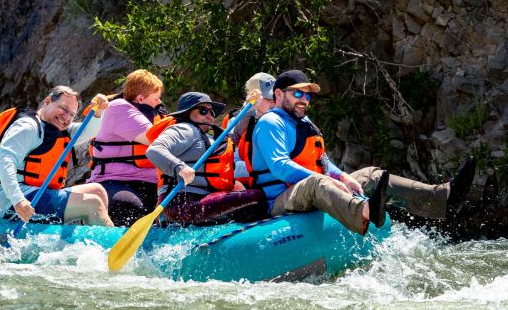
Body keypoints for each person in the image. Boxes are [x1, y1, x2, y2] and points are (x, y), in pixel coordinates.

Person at [251, 69, 477, 235]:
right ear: (279, 94)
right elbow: (280, 166)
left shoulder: (304, 122)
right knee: (318, 183)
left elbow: (323, 161)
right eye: (297, 94)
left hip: (312, 185)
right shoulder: (271, 122)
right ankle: (365, 211)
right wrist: (324, 179)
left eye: (308, 96)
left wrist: (342, 176)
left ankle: (443, 196)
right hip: (280, 199)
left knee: (372, 175)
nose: (304, 101)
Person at [0, 86, 114, 226]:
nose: (66, 117)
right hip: (13, 202)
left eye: (71, 114)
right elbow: (4, 162)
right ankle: (112, 246)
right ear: (47, 101)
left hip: (38, 194)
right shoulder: (28, 127)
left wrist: (98, 112)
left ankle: (90, 236)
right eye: (63, 109)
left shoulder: (62, 130)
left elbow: (88, 131)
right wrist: (19, 200)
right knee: (93, 203)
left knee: (98, 190)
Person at [145, 92, 267, 226]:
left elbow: (235, 135)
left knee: (248, 189)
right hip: (183, 203)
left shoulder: (208, 134)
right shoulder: (185, 129)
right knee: (255, 198)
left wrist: (249, 108)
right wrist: (180, 168)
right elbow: (154, 149)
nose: (209, 116)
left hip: (201, 199)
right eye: (203, 111)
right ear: (187, 113)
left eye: (212, 112)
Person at [86, 69, 165, 226]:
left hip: (150, 183)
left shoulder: (155, 115)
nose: (159, 103)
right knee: (131, 207)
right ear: (140, 98)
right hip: (114, 181)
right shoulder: (119, 108)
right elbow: (156, 140)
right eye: (156, 99)